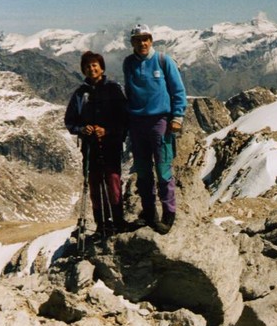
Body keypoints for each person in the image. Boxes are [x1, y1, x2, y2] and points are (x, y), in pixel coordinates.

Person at [123, 24, 187, 234]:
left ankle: (169, 213)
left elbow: (178, 90)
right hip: (137, 123)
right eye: (138, 40)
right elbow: (129, 92)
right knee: (142, 170)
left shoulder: (163, 60)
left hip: (160, 121)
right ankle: (150, 213)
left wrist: (177, 116)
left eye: (146, 39)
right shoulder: (128, 63)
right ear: (132, 42)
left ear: (151, 40)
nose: (143, 43)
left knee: (163, 168)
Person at [65, 51, 128, 235]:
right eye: (87, 66)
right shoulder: (79, 93)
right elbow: (70, 120)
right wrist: (81, 129)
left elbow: (124, 118)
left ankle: (117, 221)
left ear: (101, 67)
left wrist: (108, 130)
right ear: (83, 70)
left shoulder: (114, 89)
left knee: (113, 181)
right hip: (90, 146)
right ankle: (102, 223)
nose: (91, 69)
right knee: (94, 184)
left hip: (110, 144)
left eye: (94, 65)